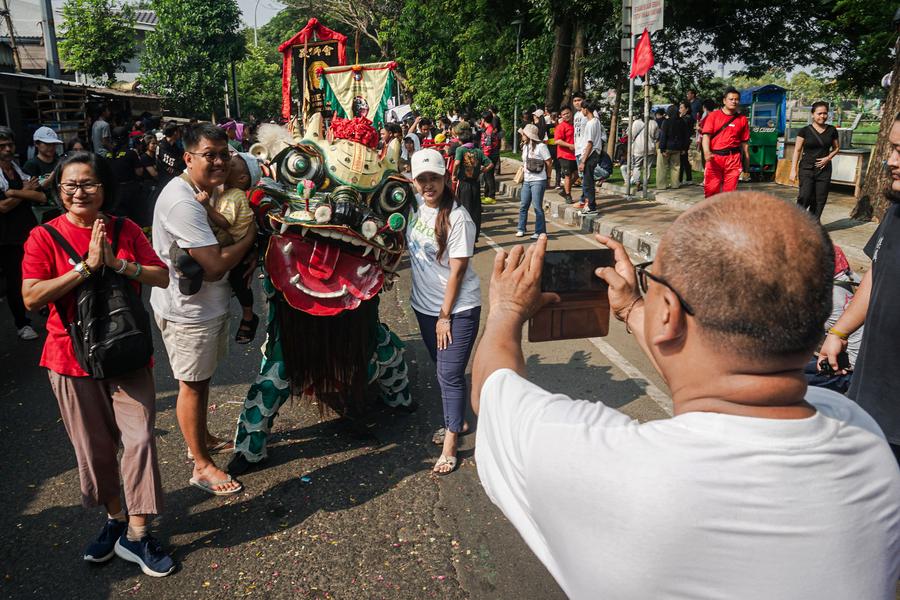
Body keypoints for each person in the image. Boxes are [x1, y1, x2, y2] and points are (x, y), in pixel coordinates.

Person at [471, 193, 900, 599]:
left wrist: (507, 309)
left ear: (670, 314)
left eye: (652, 278)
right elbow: (714, 384)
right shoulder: (862, 437)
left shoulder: (603, 463)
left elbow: (491, 387)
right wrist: (634, 308)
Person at [20, 151, 175, 577]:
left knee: (140, 438)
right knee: (96, 449)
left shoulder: (125, 229)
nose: (79, 192)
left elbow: (160, 275)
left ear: (104, 187)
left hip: (127, 352)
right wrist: (87, 268)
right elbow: (32, 296)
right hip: (69, 359)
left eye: (88, 183)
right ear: (59, 190)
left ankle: (138, 535)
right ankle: (116, 520)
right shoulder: (43, 238)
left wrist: (117, 263)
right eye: (69, 185)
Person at [150, 123, 257, 495]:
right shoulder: (183, 201)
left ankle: (204, 437)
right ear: (188, 157)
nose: (218, 162)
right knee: (192, 385)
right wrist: (249, 238)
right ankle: (202, 465)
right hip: (188, 312)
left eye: (224, 155)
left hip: (204, 307)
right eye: (209, 155)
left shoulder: (204, 193)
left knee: (201, 379)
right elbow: (213, 264)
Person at [820, 112, 900, 465]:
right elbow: (876, 272)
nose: (890, 160)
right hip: (873, 395)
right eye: (892, 148)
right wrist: (840, 330)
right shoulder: (895, 213)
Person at [406, 148, 481, 475]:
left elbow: (458, 271)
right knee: (442, 368)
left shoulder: (458, 218)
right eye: (422, 179)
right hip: (424, 308)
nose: (428, 185)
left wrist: (445, 316)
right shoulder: (417, 209)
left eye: (433, 178)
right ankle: (459, 420)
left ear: (445, 177)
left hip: (457, 310)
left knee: (449, 375)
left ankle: (452, 443)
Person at [194, 152, 260, 344]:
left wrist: (206, 206)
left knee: (241, 281)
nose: (225, 164)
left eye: (231, 165)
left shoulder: (234, 195)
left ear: (242, 178)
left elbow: (224, 222)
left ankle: (248, 315)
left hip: (237, 243)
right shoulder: (225, 190)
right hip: (233, 240)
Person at [0, 127, 46, 340]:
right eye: (2, 146)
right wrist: (25, 192)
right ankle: (22, 323)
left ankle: (42, 304)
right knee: (15, 279)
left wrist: (14, 192)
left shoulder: (16, 169)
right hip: (7, 237)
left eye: (10, 145)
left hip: (28, 230)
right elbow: (3, 207)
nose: (8, 149)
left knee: (38, 270)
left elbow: (39, 196)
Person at [790, 101, 840, 221]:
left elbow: (837, 148)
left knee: (820, 199)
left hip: (824, 170)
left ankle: (813, 224)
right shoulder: (804, 131)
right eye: (819, 113)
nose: (822, 116)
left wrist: (828, 158)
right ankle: (797, 221)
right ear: (812, 114)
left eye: (825, 113)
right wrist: (793, 170)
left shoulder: (832, 130)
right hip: (806, 168)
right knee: (805, 196)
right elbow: (797, 150)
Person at [702, 87, 750, 198]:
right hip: (715, 158)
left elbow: (745, 145)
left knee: (729, 193)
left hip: (733, 160)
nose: (734, 101)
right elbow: (706, 136)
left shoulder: (742, 119)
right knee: (711, 191)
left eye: (736, 99)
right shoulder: (713, 116)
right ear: (724, 100)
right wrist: (706, 152)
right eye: (731, 99)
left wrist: (747, 168)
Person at [452, 129, 492, 240]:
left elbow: (457, 163)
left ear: (461, 141)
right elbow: (490, 164)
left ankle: (465, 237)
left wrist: (454, 175)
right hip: (475, 184)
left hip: (464, 184)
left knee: (464, 210)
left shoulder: (460, 150)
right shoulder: (478, 151)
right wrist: (481, 171)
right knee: (475, 211)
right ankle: (474, 236)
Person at [516, 124, 552, 239]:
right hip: (526, 179)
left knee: (537, 206)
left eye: (524, 134)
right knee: (523, 205)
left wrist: (549, 177)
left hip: (538, 180)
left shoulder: (541, 147)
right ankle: (521, 228)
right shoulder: (525, 146)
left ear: (529, 135)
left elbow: (549, 162)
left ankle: (540, 231)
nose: (522, 135)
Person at [23, 126, 64, 223]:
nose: (51, 147)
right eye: (47, 144)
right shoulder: (31, 165)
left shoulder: (59, 162)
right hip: (40, 211)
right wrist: (48, 181)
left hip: (60, 208)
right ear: (36, 144)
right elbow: (28, 191)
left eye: (54, 144)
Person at [107, 127, 145, 225]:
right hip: (129, 191)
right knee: (133, 220)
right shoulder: (131, 153)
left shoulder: (107, 155)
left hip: (113, 191)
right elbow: (139, 172)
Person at [577, 100, 604, 215]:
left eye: (582, 108)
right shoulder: (596, 121)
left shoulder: (591, 123)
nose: (581, 111)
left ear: (586, 109)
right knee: (588, 181)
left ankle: (591, 206)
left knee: (587, 183)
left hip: (591, 154)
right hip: (593, 153)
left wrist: (583, 160)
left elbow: (590, 143)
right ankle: (590, 205)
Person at [656, 104, 689, 191]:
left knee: (662, 167)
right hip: (678, 148)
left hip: (666, 147)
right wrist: (684, 148)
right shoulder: (682, 122)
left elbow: (663, 136)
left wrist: (662, 148)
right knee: (676, 167)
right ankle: (675, 184)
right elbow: (685, 136)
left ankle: (661, 185)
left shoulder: (666, 122)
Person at [620, 116, 658, 190]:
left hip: (638, 148)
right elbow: (656, 136)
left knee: (636, 166)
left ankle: (637, 182)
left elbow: (631, 135)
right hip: (650, 148)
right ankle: (645, 183)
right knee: (648, 167)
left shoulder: (636, 123)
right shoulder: (654, 123)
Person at [554, 106, 577, 204]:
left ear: (571, 113)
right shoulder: (560, 127)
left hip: (575, 154)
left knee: (576, 175)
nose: (566, 115)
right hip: (564, 155)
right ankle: (568, 195)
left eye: (567, 113)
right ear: (561, 116)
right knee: (567, 175)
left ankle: (565, 190)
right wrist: (570, 145)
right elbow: (557, 141)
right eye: (564, 114)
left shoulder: (576, 124)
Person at [479, 111, 500, 204]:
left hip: (490, 155)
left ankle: (491, 196)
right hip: (491, 154)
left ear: (483, 119)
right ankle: (486, 195)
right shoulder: (489, 129)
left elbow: (488, 147)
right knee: (487, 175)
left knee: (489, 176)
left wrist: (484, 159)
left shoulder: (489, 131)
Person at [156, 122, 185, 188]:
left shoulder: (174, 146)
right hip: (164, 182)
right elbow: (175, 163)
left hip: (176, 179)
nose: (180, 133)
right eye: (178, 131)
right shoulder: (161, 146)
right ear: (175, 133)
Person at [677, 101, 695, 185]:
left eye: (681, 108)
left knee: (682, 160)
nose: (679, 109)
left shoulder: (686, 118)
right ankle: (688, 178)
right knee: (684, 160)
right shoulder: (687, 118)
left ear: (687, 109)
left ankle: (680, 180)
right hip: (685, 141)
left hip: (684, 142)